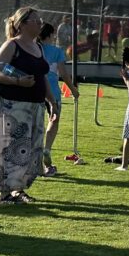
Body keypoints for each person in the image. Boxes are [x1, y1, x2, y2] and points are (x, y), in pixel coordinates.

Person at [0, 7, 56, 205]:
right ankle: (4, 193)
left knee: (32, 149)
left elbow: (42, 77)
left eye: (40, 20)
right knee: (12, 149)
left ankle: (17, 190)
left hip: (35, 106)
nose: (40, 23)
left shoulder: (39, 47)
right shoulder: (12, 45)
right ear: (23, 24)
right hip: (14, 107)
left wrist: (51, 100)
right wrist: (17, 82)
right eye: (36, 20)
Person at [38, 23, 80, 173]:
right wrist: (73, 89)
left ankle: (37, 156)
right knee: (54, 120)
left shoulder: (34, 48)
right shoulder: (56, 51)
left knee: (36, 124)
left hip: (35, 90)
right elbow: (63, 73)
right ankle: (47, 149)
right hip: (53, 92)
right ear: (50, 35)